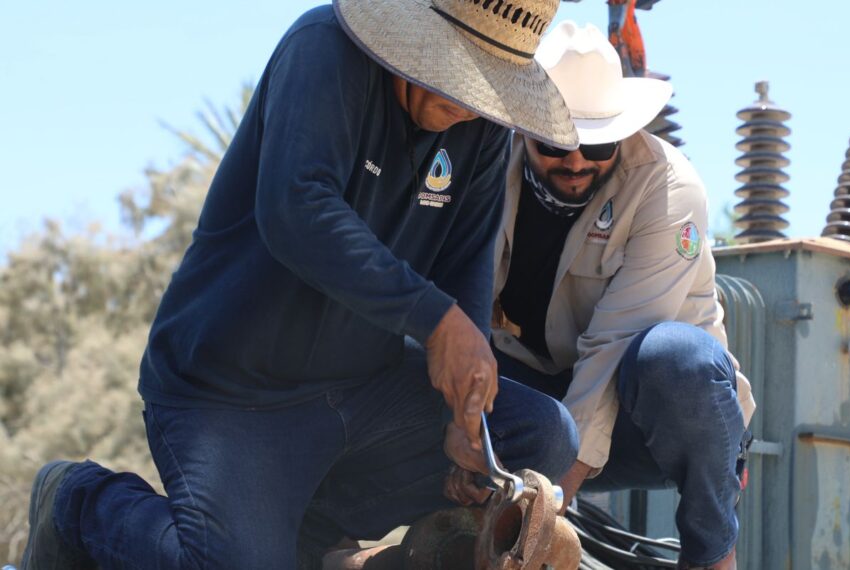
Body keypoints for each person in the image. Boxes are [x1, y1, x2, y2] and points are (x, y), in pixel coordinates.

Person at [20, 0, 582, 568]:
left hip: (364, 389)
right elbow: (296, 210)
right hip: (232, 394)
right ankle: (77, 501)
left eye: (489, 90)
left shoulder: (481, 127)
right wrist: (436, 321)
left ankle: (317, 543)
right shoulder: (324, 49)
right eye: (462, 77)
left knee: (542, 434)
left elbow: (465, 265)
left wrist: (463, 419)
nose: (470, 107)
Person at [485, 22, 757, 570]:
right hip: (536, 391)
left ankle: (713, 555)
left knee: (677, 360)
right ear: (525, 129)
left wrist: (549, 507)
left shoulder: (668, 188)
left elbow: (610, 350)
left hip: (644, 412)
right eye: (556, 144)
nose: (578, 162)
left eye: (599, 145)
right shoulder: (486, 164)